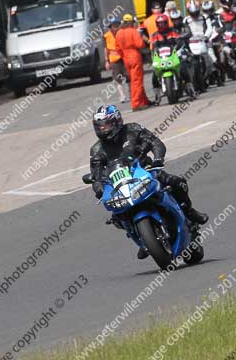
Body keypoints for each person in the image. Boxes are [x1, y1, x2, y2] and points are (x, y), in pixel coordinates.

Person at [89, 105, 209, 259]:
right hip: (119, 183)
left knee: (177, 182)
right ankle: (141, 237)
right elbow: (95, 173)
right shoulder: (96, 149)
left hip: (145, 170)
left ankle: (190, 213)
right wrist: (98, 187)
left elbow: (156, 143)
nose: (103, 130)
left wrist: (158, 159)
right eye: (99, 126)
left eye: (106, 125)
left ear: (117, 121)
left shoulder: (133, 129)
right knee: (115, 216)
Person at [115, 14, 151, 111]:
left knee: (134, 80)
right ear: (131, 22)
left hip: (126, 58)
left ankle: (144, 101)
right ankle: (136, 103)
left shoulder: (119, 33)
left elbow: (117, 48)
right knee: (137, 81)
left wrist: (124, 55)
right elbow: (140, 44)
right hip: (134, 56)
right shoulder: (133, 31)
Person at [103, 16, 128, 103]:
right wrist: (106, 61)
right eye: (114, 25)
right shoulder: (107, 36)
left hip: (124, 57)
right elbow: (106, 49)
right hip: (114, 59)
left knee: (128, 76)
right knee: (118, 79)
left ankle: (132, 94)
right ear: (110, 26)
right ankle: (122, 96)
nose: (116, 27)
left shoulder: (123, 33)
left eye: (117, 24)